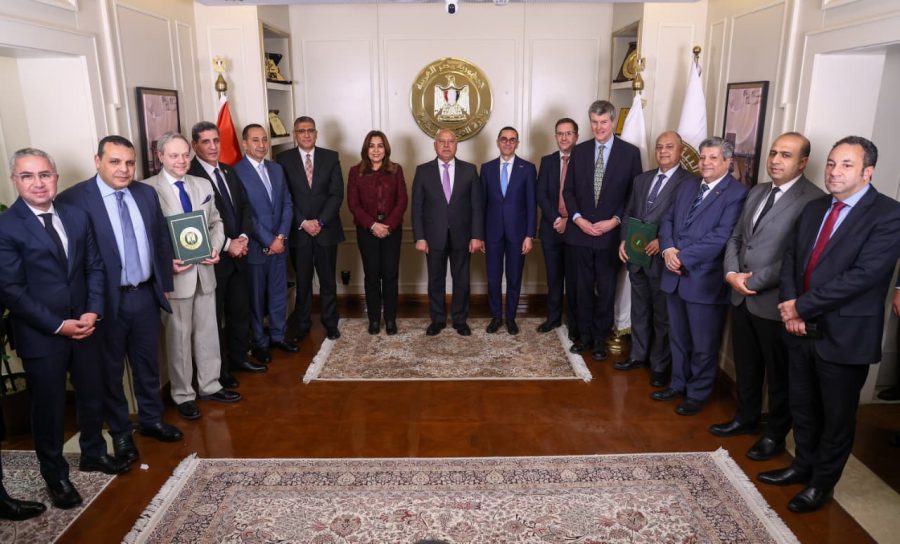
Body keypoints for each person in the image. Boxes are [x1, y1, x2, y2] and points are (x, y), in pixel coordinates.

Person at [759, 136, 900, 513]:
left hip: (845, 334)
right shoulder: (815, 207)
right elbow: (792, 259)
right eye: (833, 163)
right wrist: (792, 308)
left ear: (868, 172)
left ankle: (822, 484)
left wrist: (800, 307)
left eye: (847, 165)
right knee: (803, 406)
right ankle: (802, 466)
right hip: (800, 329)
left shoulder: (889, 215)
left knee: (836, 417)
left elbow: (864, 276)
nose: (834, 171)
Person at [0, 148, 128, 511]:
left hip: (86, 325)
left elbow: (95, 267)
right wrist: (58, 325)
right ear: (15, 181)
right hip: (43, 335)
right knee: (50, 407)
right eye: (28, 176)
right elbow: (11, 289)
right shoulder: (6, 226)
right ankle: (55, 475)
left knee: (92, 393)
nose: (38, 183)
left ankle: (93, 453)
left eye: (45, 174)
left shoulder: (76, 215)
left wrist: (93, 311)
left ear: (55, 177)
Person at [56, 136, 182, 465]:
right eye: (115, 161)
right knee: (110, 372)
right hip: (104, 302)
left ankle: (151, 419)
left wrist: (164, 284)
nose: (124, 169)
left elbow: (160, 240)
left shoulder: (145, 193)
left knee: (147, 364)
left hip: (144, 295)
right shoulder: (73, 200)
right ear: (97, 161)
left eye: (129, 162)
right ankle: (122, 433)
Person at [710, 132, 823, 461]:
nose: (775, 160)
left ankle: (774, 434)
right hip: (741, 295)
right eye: (773, 153)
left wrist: (754, 281)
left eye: (786, 155)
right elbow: (736, 238)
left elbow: (797, 256)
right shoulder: (757, 191)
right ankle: (745, 418)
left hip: (773, 302)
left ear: (802, 163)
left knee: (778, 376)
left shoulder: (813, 200)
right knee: (747, 366)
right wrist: (731, 274)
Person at [145, 132, 242, 421]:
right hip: (176, 277)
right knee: (178, 338)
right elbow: (148, 236)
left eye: (185, 155)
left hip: (205, 271)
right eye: (174, 155)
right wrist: (165, 264)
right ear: (160, 157)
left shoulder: (202, 184)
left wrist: (215, 247)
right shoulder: (148, 190)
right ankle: (183, 394)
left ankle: (210, 385)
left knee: (208, 332)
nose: (181, 160)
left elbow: (216, 222)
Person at [654, 137, 748, 416]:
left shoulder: (737, 194)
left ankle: (697, 393)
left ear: (728, 162)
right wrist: (668, 249)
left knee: (703, 344)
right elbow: (667, 220)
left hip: (704, 281)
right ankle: (678, 384)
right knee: (678, 338)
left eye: (713, 158)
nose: (705, 163)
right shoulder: (687, 185)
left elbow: (721, 237)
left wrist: (682, 257)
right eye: (702, 157)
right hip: (673, 275)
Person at [188, 121, 266, 383]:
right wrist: (226, 244)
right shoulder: (190, 176)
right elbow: (196, 222)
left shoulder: (228, 171)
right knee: (213, 320)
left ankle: (239, 358)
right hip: (214, 259)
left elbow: (243, 207)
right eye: (206, 141)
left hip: (239, 255)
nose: (213, 146)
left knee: (239, 312)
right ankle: (220, 372)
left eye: (216, 140)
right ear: (194, 145)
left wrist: (242, 238)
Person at [616, 131, 697, 387]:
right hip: (637, 257)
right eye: (659, 147)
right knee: (639, 310)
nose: (663, 151)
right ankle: (638, 355)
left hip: (663, 260)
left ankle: (659, 365)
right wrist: (623, 239)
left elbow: (689, 222)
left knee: (663, 316)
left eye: (669, 147)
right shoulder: (642, 179)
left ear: (680, 151)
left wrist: (664, 242)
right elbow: (629, 213)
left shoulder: (690, 182)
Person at [563, 100, 642, 360]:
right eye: (594, 122)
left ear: (613, 122)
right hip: (580, 233)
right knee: (582, 289)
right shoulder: (579, 151)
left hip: (610, 235)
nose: (599, 127)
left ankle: (599, 339)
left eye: (604, 122)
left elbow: (633, 195)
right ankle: (584, 337)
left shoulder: (630, 153)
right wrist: (578, 219)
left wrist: (615, 220)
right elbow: (568, 191)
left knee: (606, 290)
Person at [276, 116, 344, 341]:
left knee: (327, 282)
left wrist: (320, 222)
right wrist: (304, 222)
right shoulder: (283, 160)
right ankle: (302, 325)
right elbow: (284, 196)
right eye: (301, 131)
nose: (306, 134)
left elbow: (336, 194)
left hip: (326, 231)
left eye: (310, 130)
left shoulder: (331, 157)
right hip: (299, 232)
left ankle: (330, 324)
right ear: (294, 134)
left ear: (316, 133)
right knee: (303, 283)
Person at [411, 129, 484, 336]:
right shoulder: (422, 171)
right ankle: (438, 320)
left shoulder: (469, 170)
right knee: (435, 280)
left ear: (456, 145)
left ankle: (460, 320)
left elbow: (477, 206)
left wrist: (476, 235)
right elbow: (417, 207)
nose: (446, 145)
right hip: (433, 236)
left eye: (450, 141)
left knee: (462, 280)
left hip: (463, 235)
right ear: (435, 145)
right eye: (441, 141)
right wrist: (420, 237)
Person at [234, 124, 297, 362]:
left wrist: (280, 237)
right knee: (257, 299)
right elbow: (246, 215)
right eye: (255, 140)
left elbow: (287, 204)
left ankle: (278, 336)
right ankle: (260, 342)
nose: (261, 145)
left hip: (279, 246)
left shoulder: (276, 169)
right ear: (244, 143)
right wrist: (269, 240)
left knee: (279, 295)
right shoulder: (236, 173)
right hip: (255, 249)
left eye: (264, 139)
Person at [347, 130, 408, 335]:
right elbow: (353, 204)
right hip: (367, 231)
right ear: (366, 149)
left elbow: (402, 201)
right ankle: (374, 319)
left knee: (390, 275)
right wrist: (373, 225)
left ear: (385, 149)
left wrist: (387, 225)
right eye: (372, 146)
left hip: (392, 230)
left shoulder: (396, 170)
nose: (376, 150)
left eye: (380, 146)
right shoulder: (355, 172)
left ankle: (390, 319)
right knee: (372, 276)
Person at [481, 126, 536, 335]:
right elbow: (481, 205)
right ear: (498, 142)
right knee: (493, 278)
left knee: (514, 277)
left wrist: (529, 235)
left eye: (512, 139)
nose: (508, 143)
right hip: (492, 233)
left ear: (517, 144)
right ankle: (496, 317)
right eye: (504, 139)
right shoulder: (486, 169)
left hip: (518, 234)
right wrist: (480, 235)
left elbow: (532, 205)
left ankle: (511, 318)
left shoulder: (528, 169)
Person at [536, 118, 579, 339]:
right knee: (553, 278)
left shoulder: (584, 161)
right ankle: (553, 318)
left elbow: (586, 197)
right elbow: (541, 194)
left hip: (576, 228)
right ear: (555, 137)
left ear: (576, 136)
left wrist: (568, 220)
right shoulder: (547, 161)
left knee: (574, 278)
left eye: (568, 133)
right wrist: (556, 218)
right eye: (560, 133)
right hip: (551, 229)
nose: (564, 137)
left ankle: (574, 322)